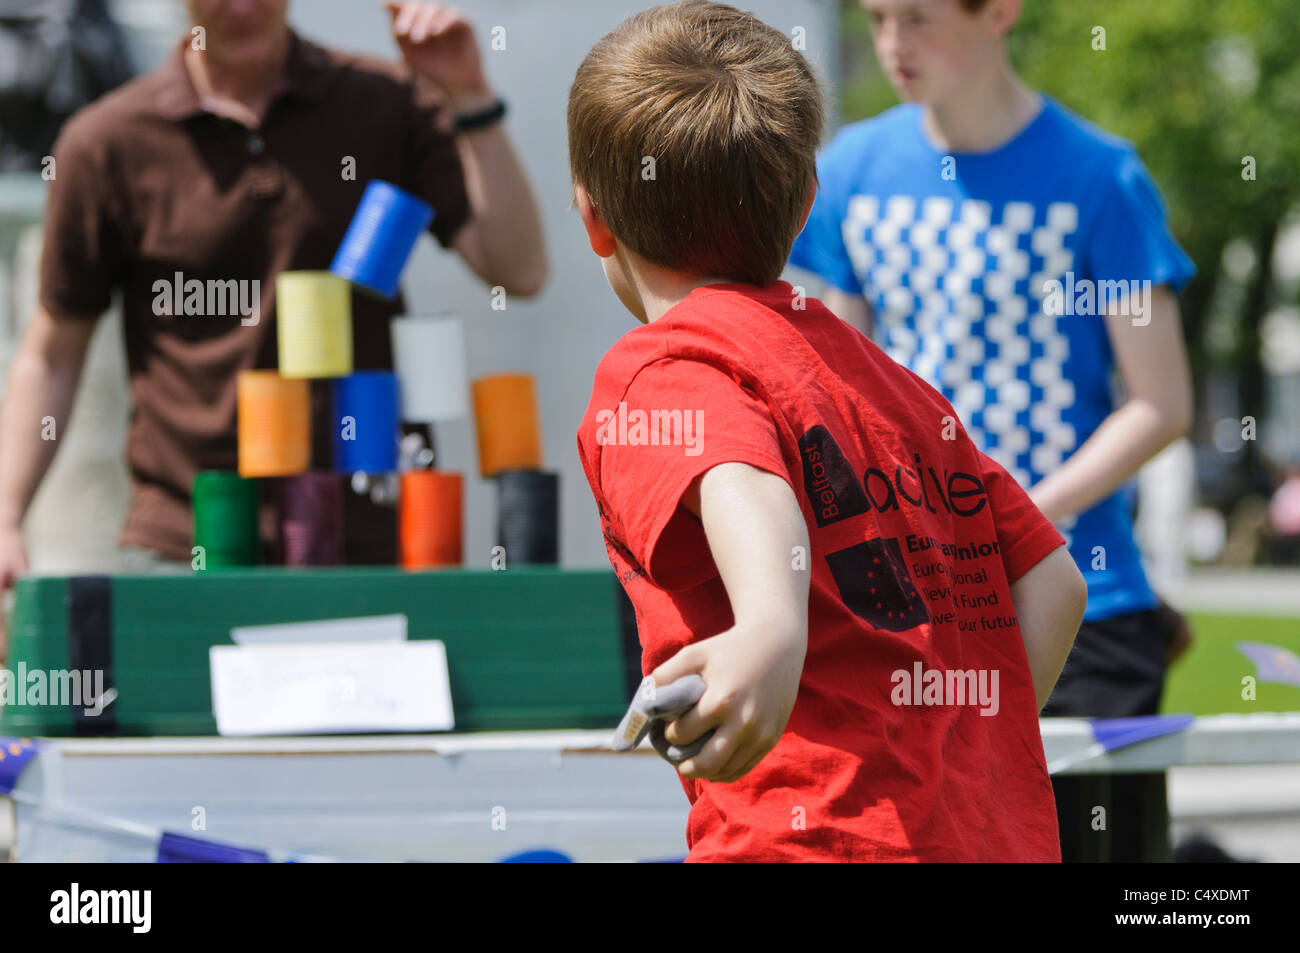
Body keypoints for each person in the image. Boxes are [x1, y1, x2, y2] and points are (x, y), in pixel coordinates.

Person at [570, 0, 1087, 862]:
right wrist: (955, 751)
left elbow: (737, 477)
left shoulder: (663, 367)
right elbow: (1055, 582)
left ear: (594, 219)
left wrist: (771, 626)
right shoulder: (892, 384)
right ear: (808, 202)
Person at [788, 0, 1194, 861]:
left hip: (1090, 604)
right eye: (878, 18)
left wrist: (1021, 524)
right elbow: (843, 395)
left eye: (920, 18)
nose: (893, 44)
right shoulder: (849, 170)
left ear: (1001, 11)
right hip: (915, 605)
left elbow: (1161, 402)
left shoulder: (1102, 176)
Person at [0, 0, 547, 615]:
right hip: (186, 547)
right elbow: (51, 355)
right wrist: (6, 517)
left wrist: (470, 98)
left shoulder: (385, 101)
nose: (242, 6)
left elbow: (517, 269)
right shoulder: (105, 143)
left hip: (367, 543)